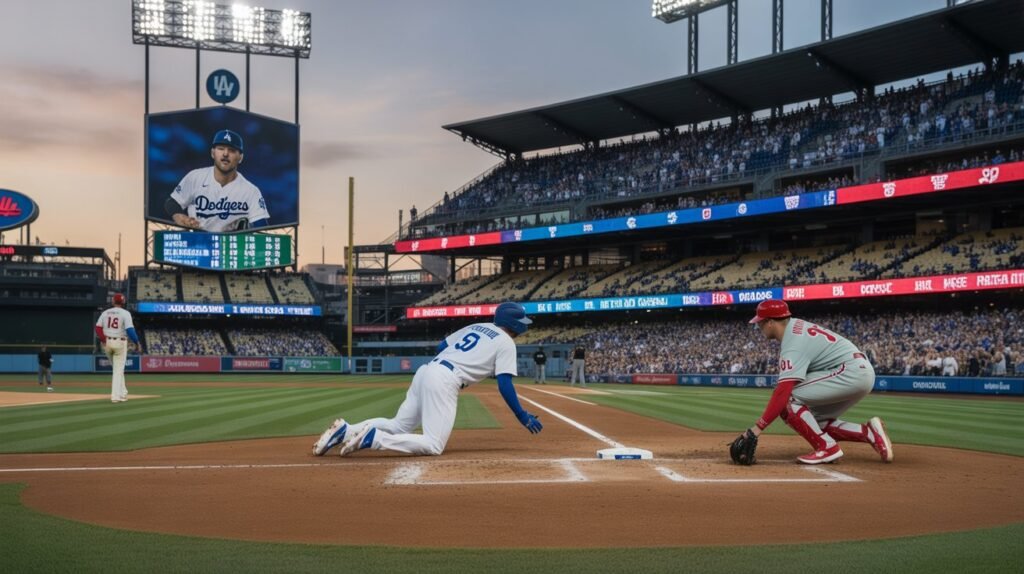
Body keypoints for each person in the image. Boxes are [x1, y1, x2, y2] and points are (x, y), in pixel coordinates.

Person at [312, 302, 543, 457]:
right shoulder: (506, 343)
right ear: (513, 323)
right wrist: (521, 415)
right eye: (521, 321)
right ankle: (374, 438)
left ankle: (346, 430)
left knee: (399, 425)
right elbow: (504, 383)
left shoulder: (478, 326)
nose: (524, 324)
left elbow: (441, 346)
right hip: (445, 379)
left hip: (427, 370)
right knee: (434, 444)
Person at [739, 300, 893, 464]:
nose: (759, 327)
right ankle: (869, 433)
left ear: (770, 322)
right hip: (858, 371)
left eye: (760, 323)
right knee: (813, 420)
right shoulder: (796, 327)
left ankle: (826, 447)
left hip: (850, 372)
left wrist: (757, 429)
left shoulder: (793, 343)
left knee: (788, 400)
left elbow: (783, 391)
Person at [164, 130, 270, 232]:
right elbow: (171, 203)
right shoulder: (195, 177)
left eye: (232, 150)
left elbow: (261, 228)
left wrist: (248, 230)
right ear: (212, 153)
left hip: (232, 247)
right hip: (198, 244)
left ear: (240, 157)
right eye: (220, 148)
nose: (225, 154)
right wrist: (179, 217)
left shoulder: (251, 191)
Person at [94, 293, 144, 403]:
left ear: (113, 301)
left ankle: (123, 393)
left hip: (107, 343)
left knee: (117, 369)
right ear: (123, 302)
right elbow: (130, 330)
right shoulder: (125, 313)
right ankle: (115, 396)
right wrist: (137, 342)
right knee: (118, 370)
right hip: (120, 343)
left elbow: (97, 328)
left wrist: (103, 340)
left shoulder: (105, 313)